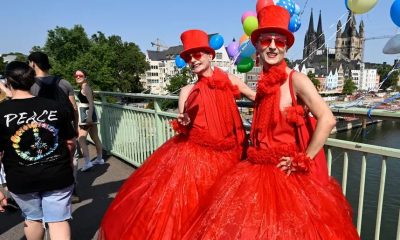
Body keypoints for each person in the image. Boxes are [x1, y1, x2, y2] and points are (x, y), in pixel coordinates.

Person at [182, 6, 360, 239]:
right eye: (266, 40)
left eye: (279, 41)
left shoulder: (297, 79)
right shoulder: (264, 84)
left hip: (286, 176)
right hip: (256, 171)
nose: (273, 46)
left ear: (286, 46)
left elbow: (327, 119)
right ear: (257, 45)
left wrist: (304, 158)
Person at [99, 29, 255, 240]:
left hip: (232, 155)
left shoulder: (229, 79)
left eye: (197, 54)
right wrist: (184, 121)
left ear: (210, 55)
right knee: (191, 211)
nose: (193, 60)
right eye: (188, 57)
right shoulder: (187, 91)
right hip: (198, 160)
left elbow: (256, 97)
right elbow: (183, 118)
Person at [0, 61, 76, 239]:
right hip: (57, 172)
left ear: (8, 83)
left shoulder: (1, 112)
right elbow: (70, 141)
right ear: (32, 80)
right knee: (58, 221)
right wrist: (69, 163)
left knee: (33, 218)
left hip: (20, 177)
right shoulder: (54, 107)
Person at [28, 51, 81, 203]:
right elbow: (74, 108)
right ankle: (72, 189)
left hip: (42, 131)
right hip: (65, 129)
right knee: (71, 159)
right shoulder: (64, 82)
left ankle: (48, 192)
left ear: (33, 63)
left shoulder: (30, 85)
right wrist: (75, 127)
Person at [74, 69, 104, 171]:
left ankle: (87, 163)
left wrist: (89, 117)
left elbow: (91, 103)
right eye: (76, 75)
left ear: (85, 76)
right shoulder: (85, 86)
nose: (78, 77)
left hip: (86, 116)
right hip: (91, 115)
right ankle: (99, 159)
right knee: (95, 137)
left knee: (81, 138)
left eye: (80, 75)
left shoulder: (85, 87)